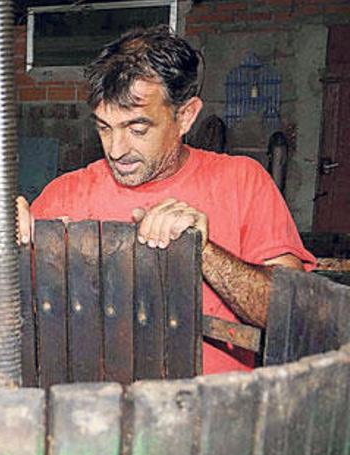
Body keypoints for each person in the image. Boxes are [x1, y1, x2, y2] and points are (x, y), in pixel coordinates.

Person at [16, 26, 315, 374]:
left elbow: (295, 315)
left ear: (185, 115)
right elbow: (8, 310)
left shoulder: (242, 182)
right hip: (95, 412)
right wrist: (2, 241)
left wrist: (202, 251)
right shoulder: (66, 193)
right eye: (104, 127)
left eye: (137, 129)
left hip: (216, 414)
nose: (116, 150)